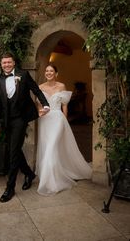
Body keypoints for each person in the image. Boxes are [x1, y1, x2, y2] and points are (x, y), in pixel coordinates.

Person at [0, 53, 50, 203]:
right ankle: (29, 174)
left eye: (9, 62)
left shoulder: (23, 75)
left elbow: (36, 90)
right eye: (4, 62)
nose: (6, 64)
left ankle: (9, 188)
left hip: (20, 118)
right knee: (16, 149)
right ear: (1, 64)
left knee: (12, 152)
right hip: (6, 120)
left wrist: (45, 104)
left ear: (13, 63)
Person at [36, 64, 92, 195]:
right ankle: (50, 174)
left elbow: (65, 105)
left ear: (56, 73)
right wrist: (39, 112)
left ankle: (50, 182)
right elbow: (39, 105)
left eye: (51, 71)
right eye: (47, 71)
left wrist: (64, 121)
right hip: (45, 121)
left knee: (52, 146)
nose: (48, 73)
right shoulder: (40, 87)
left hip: (57, 119)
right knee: (47, 147)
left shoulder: (61, 86)